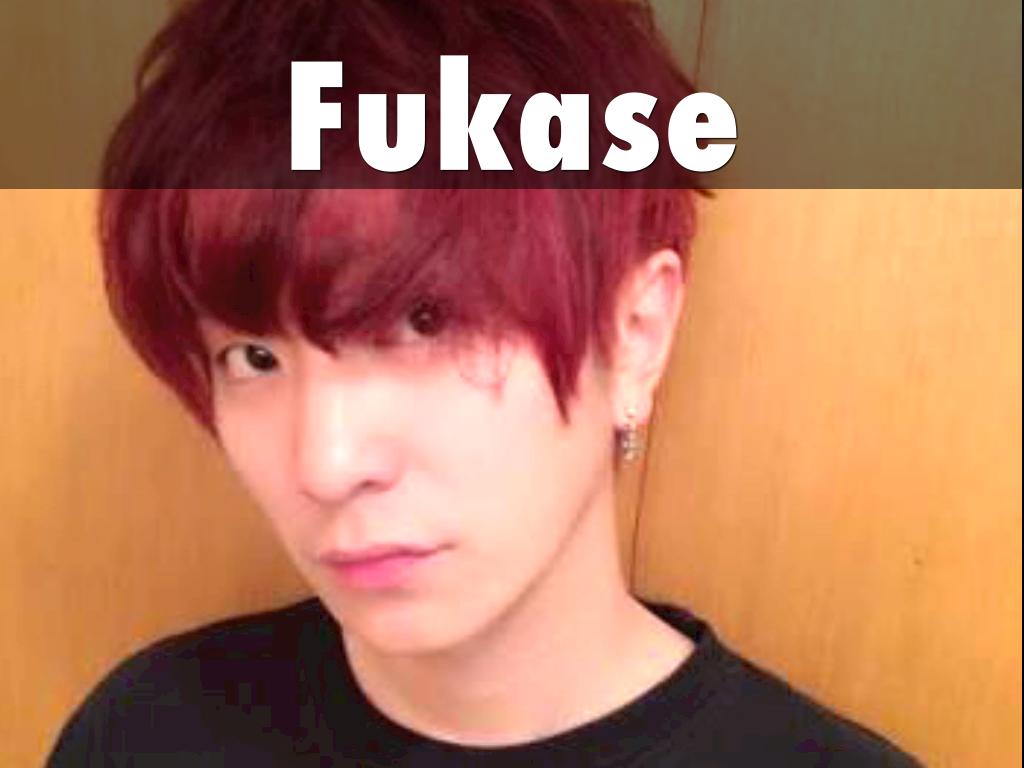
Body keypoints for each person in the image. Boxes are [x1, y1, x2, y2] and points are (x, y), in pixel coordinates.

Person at [48, 0, 920, 765]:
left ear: (636, 335)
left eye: (424, 322)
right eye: (253, 357)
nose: (326, 463)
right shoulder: (143, 735)